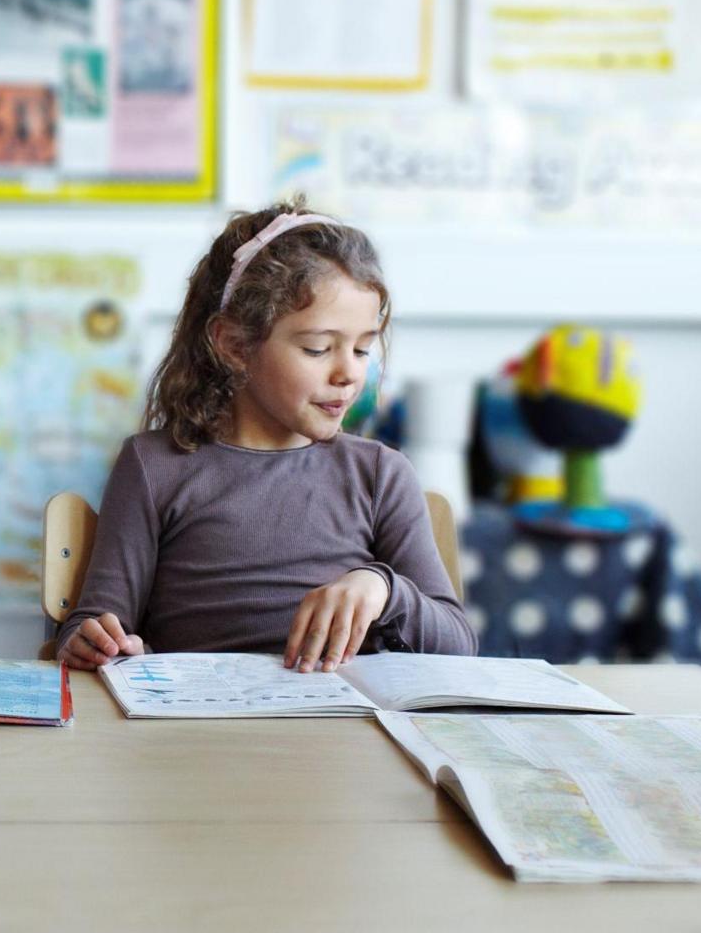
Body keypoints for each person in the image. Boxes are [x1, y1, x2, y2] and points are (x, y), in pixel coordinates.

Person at [57, 201, 474, 670]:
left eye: (362, 349)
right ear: (235, 345)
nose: (348, 373)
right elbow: (94, 624)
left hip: (343, 734)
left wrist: (383, 588)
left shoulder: (380, 474)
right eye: (318, 348)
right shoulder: (153, 465)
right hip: (198, 731)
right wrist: (98, 643)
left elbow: (459, 646)